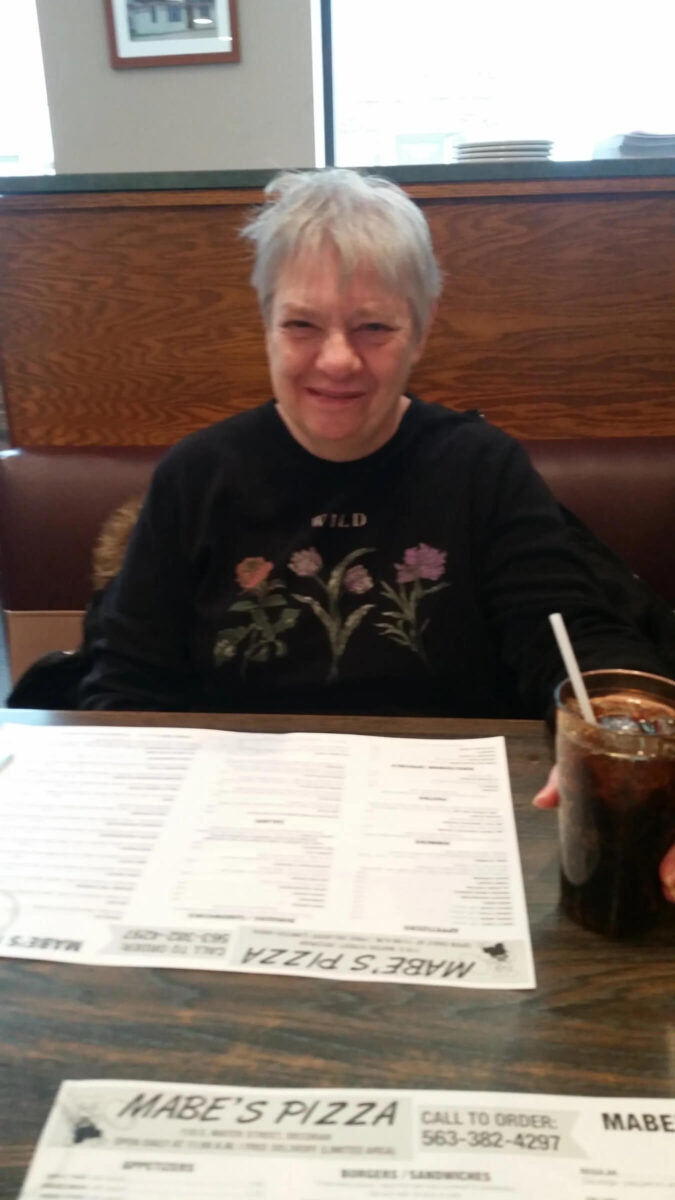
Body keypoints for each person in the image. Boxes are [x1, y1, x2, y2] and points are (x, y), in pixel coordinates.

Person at [78, 168, 675, 901]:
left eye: (373, 327)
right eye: (301, 324)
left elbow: (572, 640)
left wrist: (613, 748)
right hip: (237, 848)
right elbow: (126, 689)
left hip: (449, 845)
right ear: (265, 324)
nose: (335, 358)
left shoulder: (479, 467)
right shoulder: (197, 475)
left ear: (418, 334)